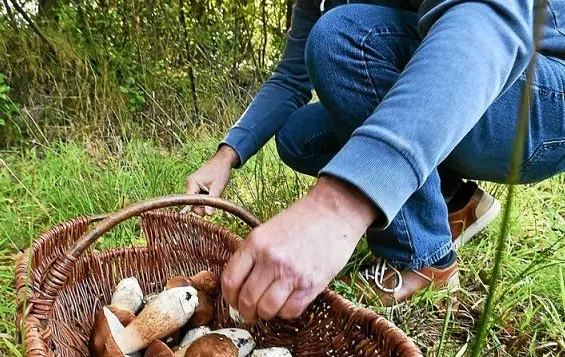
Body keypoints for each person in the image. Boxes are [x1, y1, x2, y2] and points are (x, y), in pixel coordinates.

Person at [185, 0, 565, 323]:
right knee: (299, 136)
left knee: (346, 39)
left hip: (538, 85)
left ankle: (424, 258)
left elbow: (488, 18)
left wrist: (339, 204)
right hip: (471, 85)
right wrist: (226, 154)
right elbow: (290, 77)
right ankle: (453, 202)